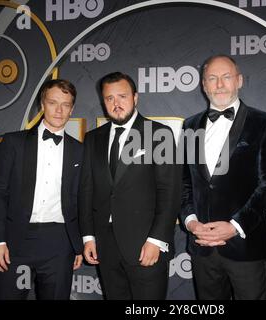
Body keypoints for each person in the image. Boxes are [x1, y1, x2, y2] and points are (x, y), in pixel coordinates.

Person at [180, 55, 266, 300]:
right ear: (203, 85)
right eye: (212, 79)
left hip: (246, 248)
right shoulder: (190, 125)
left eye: (226, 77)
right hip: (202, 248)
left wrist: (235, 226)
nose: (220, 84)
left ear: (239, 80)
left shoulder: (264, 122)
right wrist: (191, 223)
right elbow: (184, 183)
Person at [79, 72, 180, 300]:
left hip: (146, 245)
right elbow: (86, 191)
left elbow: (170, 193)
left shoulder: (158, 134)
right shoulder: (93, 139)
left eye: (122, 96)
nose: (116, 104)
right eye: (109, 98)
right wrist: (88, 237)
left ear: (135, 97)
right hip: (105, 246)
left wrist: (156, 240)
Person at [0, 79, 83, 299]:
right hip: (16, 242)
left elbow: (81, 200)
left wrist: (77, 244)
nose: (59, 110)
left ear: (72, 109)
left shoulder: (79, 150)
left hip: (59, 244)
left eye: (66, 105)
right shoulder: (13, 143)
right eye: (53, 102)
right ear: (42, 104)